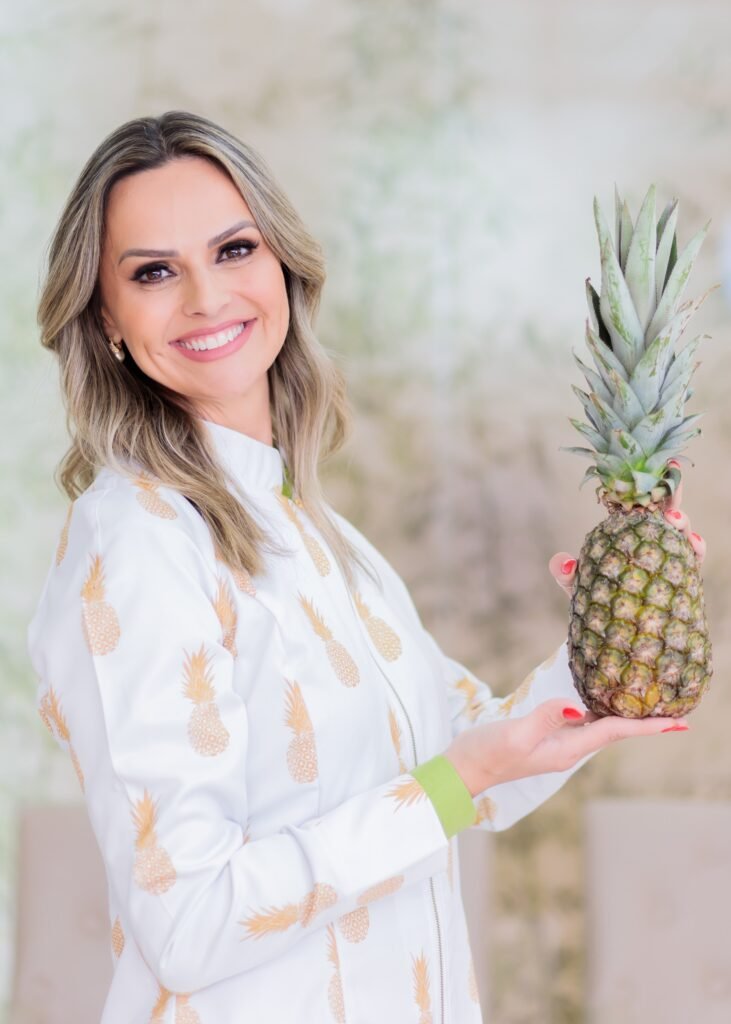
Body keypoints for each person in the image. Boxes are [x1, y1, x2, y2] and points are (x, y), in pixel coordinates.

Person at [26, 110, 705, 1024]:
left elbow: (471, 762)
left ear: (282, 266)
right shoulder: (138, 539)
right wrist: (449, 787)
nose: (205, 297)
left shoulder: (319, 533)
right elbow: (187, 920)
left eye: (234, 250)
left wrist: (612, 640)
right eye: (153, 271)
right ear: (106, 314)